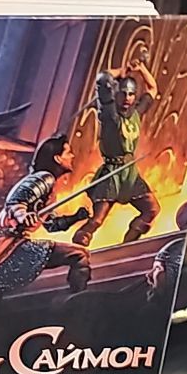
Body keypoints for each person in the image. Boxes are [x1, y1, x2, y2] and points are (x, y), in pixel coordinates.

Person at [0, 133, 91, 304]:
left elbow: (51, 225)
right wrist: (23, 215)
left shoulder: (49, 188)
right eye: (68, 152)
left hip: (12, 245)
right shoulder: (44, 178)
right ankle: (76, 299)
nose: (72, 156)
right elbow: (16, 203)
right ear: (58, 158)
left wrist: (75, 217)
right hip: (14, 246)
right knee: (80, 255)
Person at [73, 57, 161, 247]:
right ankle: (76, 250)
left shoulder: (136, 113)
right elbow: (102, 78)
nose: (127, 98)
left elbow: (153, 89)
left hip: (129, 174)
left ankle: (126, 247)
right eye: (123, 93)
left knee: (151, 209)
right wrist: (121, 71)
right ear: (116, 94)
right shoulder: (109, 114)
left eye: (131, 94)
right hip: (111, 174)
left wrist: (141, 68)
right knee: (97, 221)